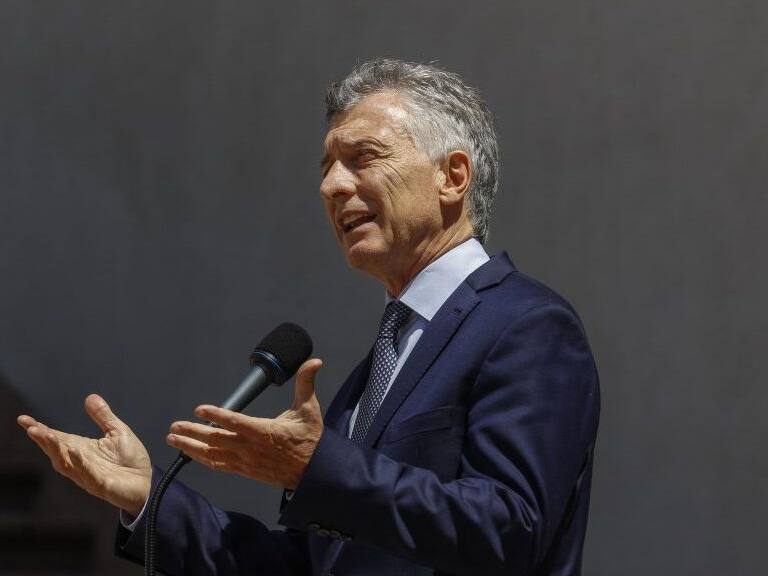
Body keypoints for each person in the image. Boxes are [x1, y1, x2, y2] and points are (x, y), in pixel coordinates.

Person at [17, 59, 600, 575]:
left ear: (451, 176)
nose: (331, 186)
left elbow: (510, 530)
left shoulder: (525, 325)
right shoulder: (384, 363)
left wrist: (320, 468)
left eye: (362, 158)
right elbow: (309, 564)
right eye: (326, 167)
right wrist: (148, 500)